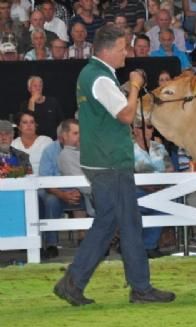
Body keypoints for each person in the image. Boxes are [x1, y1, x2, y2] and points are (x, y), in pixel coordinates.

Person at [53, 25, 176, 306]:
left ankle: (72, 283)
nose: (127, 53)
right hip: (110, 162)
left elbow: (111, 108)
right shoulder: (100, 78)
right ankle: (141, 288)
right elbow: (125, 114)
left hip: (101, 161)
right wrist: (133, 85)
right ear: (107, 51)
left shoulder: (92, 75)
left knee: (107, 224)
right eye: (123, 48)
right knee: (130, 224)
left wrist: (125, 89)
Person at [38, 120, 87, 258]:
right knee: (51, 200)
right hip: (56, 192)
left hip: (80, 190)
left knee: (91, 195)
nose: (80, 137)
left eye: (80, 133)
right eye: (76, 133)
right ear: (63, 136)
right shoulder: (49, 151)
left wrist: (79, 188)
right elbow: (45, 180)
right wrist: (62, 194)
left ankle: (85, 238)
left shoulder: (86, 149)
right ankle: (52, 244)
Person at [132, 117, 174, 258]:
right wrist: (150, 187)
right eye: (141, 127)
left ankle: (146, 245)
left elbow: (170, 169)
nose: (146, 130)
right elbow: (128, 173)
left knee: (171, 204)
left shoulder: (159, 147)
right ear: (134, 130)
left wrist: (161, 186)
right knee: (158, 204)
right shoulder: (127, 148)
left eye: (149, 127)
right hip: (138, 191)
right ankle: (148, 246)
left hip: (161, 190)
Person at [19, 76, 64, 140]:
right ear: (29, 89)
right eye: (35, 86)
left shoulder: (52, 102)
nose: (38, 88)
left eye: (40, 86)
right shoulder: (24, 105)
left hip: (52, 141)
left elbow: (61, 122)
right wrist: (32, 101)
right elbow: (27, 122)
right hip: (33, 141)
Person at [11, 111, 52, 176]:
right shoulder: (13, 144)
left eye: (32, 122)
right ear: (19, 126)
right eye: (25, 122)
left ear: (36, 125)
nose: (29, 125)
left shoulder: (46, 141)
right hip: (19, 183)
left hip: (44, 183)